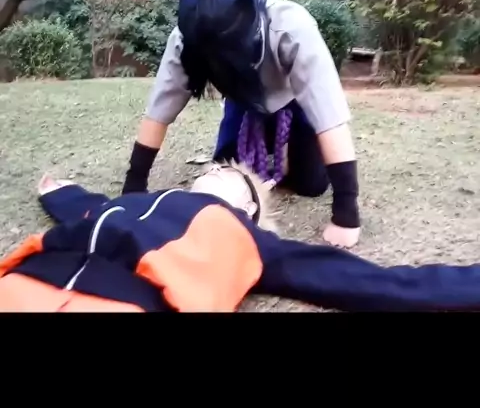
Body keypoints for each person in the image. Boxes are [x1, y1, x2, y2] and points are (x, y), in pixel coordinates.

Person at [1, 166, 480, 312]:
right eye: (213, 168)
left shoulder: (251, 242)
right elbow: (89, 206)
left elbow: (367, 282)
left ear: (248, 208)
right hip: (25, 277)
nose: (214, 170)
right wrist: (59, 190)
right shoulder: (139, 200)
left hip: (127, 301)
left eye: (230, 175)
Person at [122, 0, 360, 250]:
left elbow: (330, 118)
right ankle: (268, 153)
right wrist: (133, 187)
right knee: (227, 169)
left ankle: (287, 154)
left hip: (294, 100)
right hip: (242, 101)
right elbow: (159, 113)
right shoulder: (187, 39)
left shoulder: (293, 27)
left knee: (311, 185)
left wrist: (346, 214)